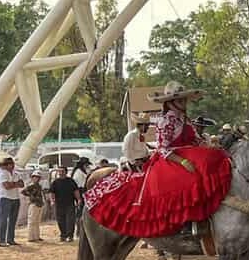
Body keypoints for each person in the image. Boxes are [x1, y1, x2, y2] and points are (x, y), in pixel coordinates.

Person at [82, 82, 233, 251]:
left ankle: (208, 220)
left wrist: (206, 145)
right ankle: (184, 225)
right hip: (170, 159)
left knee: (213, 160)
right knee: (183, 181)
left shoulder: (185, 119)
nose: (184, 103)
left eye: (184, 99)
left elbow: (194, 140)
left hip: (187, 153)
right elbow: (162, 148)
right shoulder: (165, 120)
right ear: (170, 102)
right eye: (180, 100)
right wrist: (182, 161)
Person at [0, 156, 25, 247]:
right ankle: (2, 240)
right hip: (5, 198)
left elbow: (22, 184)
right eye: (9, 164)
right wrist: (16, 184)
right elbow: (7, 186)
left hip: (15, 197)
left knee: (13, 220)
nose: (11, 165)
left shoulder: (16, 174)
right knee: (4, 220)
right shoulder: (2, 174)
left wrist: (12, 184)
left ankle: (10, 239)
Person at [49, 165, 79, 242]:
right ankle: (63, 235)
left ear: (66, 172)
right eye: (59, 171)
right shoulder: (55, 182)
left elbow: (75, 191)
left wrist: (79, 199)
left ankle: (70, 236)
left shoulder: (71, 181)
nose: (61, 173)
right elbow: (52, 192)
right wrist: (52, 201)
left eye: (62, 171)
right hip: (59, 204)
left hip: (70, 204)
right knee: (60, 220)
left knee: (70, 220)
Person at [23, 171, 45, 241]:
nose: (37, 179)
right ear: (32, 178)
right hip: (34, 204)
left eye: (38, 177)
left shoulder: (39, 186)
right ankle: (30, 237)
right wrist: (31, 196)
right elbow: (24, 191)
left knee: (37, 221)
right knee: (32, 221)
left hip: (39, 203)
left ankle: (36, 236)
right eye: (35, 177)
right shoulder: (31, 185)